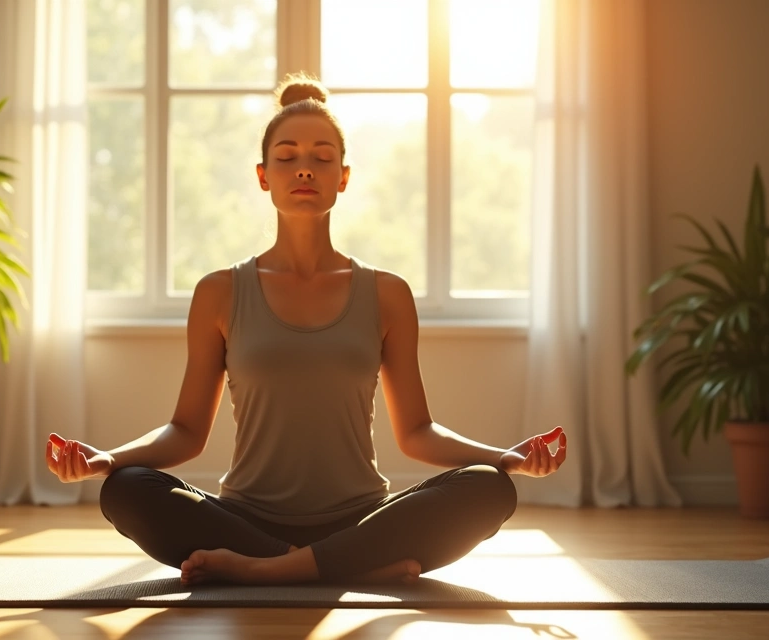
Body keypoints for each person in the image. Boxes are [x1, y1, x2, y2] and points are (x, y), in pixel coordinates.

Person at [46, 73, 567, 587]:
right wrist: (108, 459)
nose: (304, 169)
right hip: (246, 521)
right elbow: (186, 432)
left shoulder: (387, 293)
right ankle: (340, 567)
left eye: (322, 158)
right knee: (126, 489)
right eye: (287, 156)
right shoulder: (219, 292)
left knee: (489, 487)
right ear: (262, 176)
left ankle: (269, 569)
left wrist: (505, 458)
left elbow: (416, 433)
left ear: (343, 176)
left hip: (359, 519)